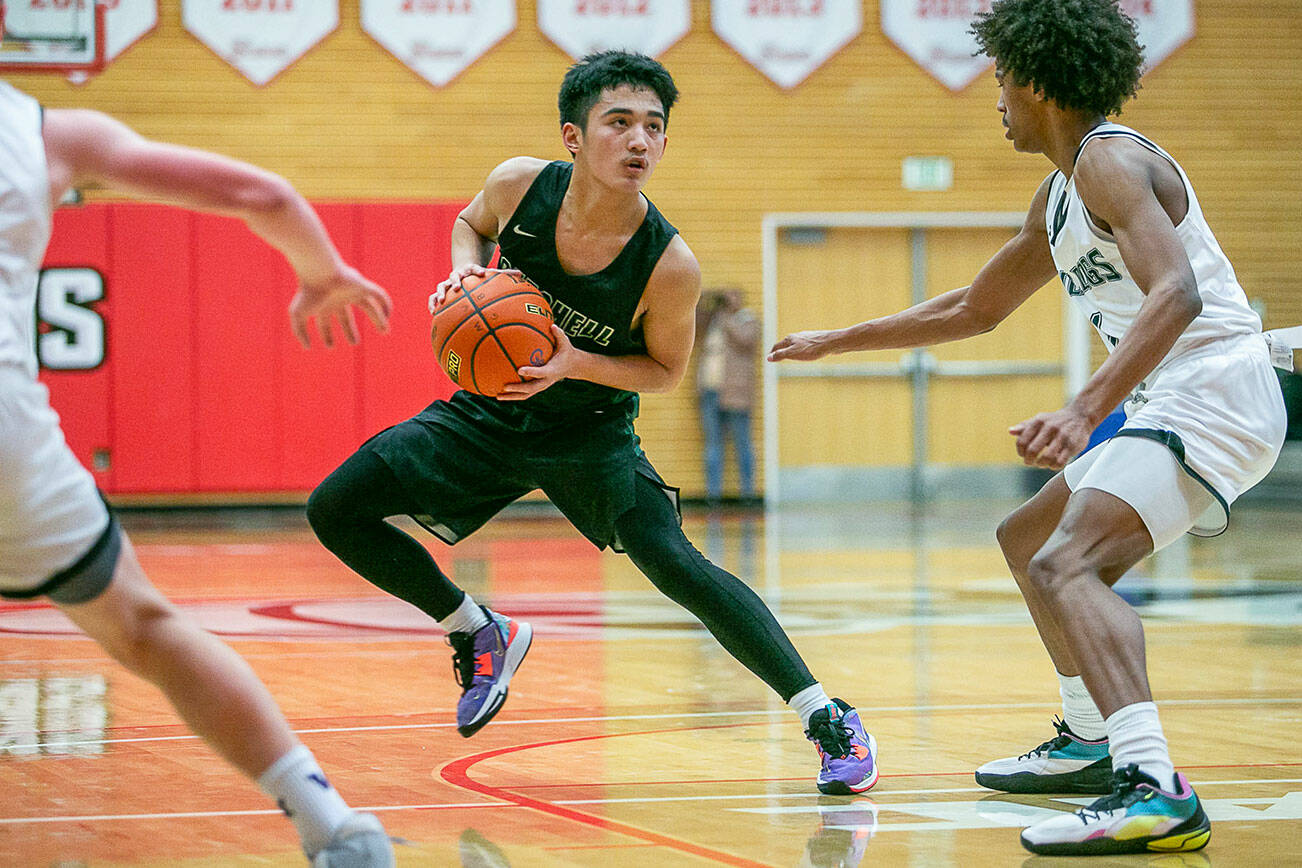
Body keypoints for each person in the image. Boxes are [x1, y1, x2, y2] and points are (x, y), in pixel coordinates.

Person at [769, 0, 1286, 856]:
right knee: (1028, 537)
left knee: (1067, 562)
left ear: (1038, 80)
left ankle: (1155, 787)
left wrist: (1086, 409)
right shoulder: (1059, 195)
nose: (995, 94)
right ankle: (1089, 738)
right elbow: (974, 307)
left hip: (1216, 388)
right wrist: (839, 339)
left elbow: (1178, 293)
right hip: (1180, 396)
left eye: (1002, 76)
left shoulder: (1111, 161)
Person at [305, 50, 878, 795]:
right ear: (573, 137)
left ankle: (826, 716)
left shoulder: (670, 266)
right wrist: (462, 274)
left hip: (588, 432)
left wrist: (574, 362)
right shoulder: (519, 185)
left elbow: (665, 373)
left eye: (654, 127)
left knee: (677, 566)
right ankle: (477, 628)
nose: (639, 140)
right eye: (619, 123)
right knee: (335, 507)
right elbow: (468, 224)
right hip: (487, 415)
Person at [0, 81, 396, 867]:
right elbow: (263, 192)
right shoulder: (44, 133)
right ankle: (330, 821)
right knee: (146, 628)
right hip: (8, 440)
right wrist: (322, 274)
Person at [695, 287, 759, 505]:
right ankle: (713, 496)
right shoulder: (712, 322)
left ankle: (748, 495)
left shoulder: (747, 319)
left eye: (732, 296)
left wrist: (725, 317)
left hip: (736, 394)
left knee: (743, 442)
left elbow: (745, 341)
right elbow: (692, 320)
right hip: (710, 390)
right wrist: (705, 298)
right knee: (713, 444)